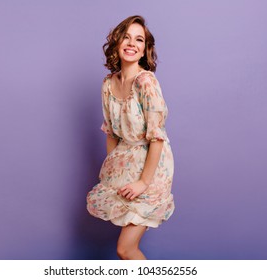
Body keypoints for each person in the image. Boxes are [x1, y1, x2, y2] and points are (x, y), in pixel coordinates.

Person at [86, 15, 174, 260]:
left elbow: (157, 137)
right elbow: (112, 134)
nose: (131, 43)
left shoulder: (146, 82)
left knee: (125, 249)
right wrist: (113, 173)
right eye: (126, 37)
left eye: (139, 39)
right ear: (117, 42)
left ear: (145, 49)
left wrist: (143, 183)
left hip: (151, 167)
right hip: (124, 164)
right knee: (125, 250)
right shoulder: (108, 84)